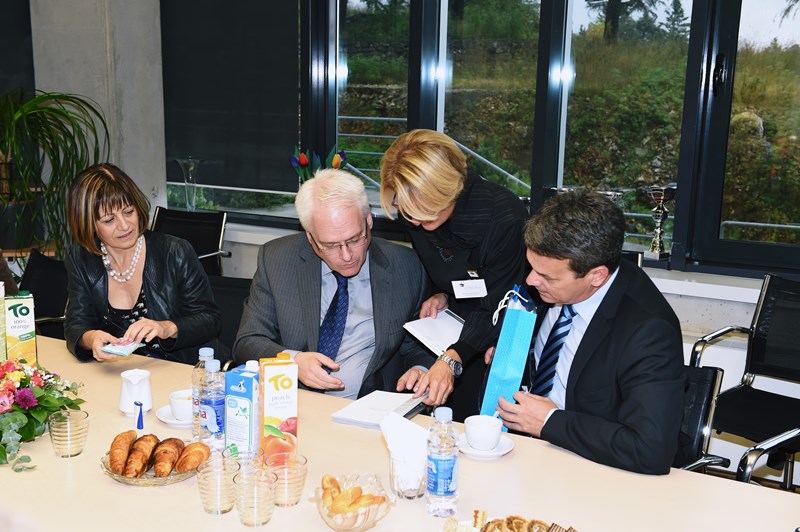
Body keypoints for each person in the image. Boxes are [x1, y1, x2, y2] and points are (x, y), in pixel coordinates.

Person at [491, 190, 684, 475]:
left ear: (597, 276)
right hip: (524, 451)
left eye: (545, 276)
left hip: (592, 467)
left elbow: (650, 450)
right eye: (531, 268)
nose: (531, 280)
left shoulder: (648, 331)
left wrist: (550, 421)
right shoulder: (555, 274)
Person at [233, 168, 445, 401]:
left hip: (366, 408)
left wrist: (420, 369)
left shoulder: (406, 267)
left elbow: (417, 345)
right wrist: (292, 361)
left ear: (368, 220)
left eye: (354, 239)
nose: (346, 255)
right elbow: (247, 341)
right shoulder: (277, 260)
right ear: (310, 237)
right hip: (290, 404)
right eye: (331, 245)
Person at [379, 129, 529, 421]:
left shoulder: (504, 218)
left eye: (425, 210)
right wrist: (441, 293)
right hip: (451, 326)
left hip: (498, 327)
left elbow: (499, 300)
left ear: (449, 191)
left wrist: (451, 359)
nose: (416, 221)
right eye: (407, 211)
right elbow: (444, 267)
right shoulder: (415, 212)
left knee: (478, 421)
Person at [64, 163, 223, 364]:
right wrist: (91, 338)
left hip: (181, 367)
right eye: (109, 220)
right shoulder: (81, 258)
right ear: (88, 224)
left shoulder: (175, 252)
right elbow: (76, 324)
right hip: (121, 372)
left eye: (129, 212)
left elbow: (210, 320)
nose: (124, 226)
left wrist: (167, 327)